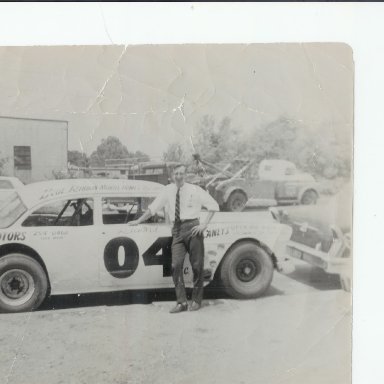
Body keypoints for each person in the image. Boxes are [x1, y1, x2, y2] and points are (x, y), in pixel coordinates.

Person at [128, 164, 219, 313]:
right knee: (176, 266)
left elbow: (214, 206)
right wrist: (138, 221)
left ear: (186, 174)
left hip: (193, 228)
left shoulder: (195, 190)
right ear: (172, 175)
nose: (178, 176)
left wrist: (204, 225)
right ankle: (181, 302)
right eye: (176, 174)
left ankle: (196, 300)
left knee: (197, 266)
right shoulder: (167, 190)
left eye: (181, 173)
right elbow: (153, 208)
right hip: (176, 230)